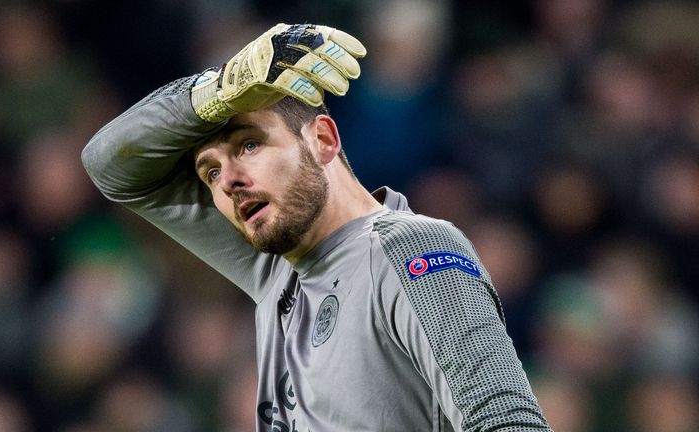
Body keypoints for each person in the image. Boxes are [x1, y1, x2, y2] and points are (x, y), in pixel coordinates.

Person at [82, 23, 551, 432]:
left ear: (323, 140)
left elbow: (507, 420)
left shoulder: (408, 248)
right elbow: (107, 165)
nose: (229, 181)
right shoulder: (274, 270)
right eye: (210, 172)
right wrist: (216, 89)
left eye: (248, 146)